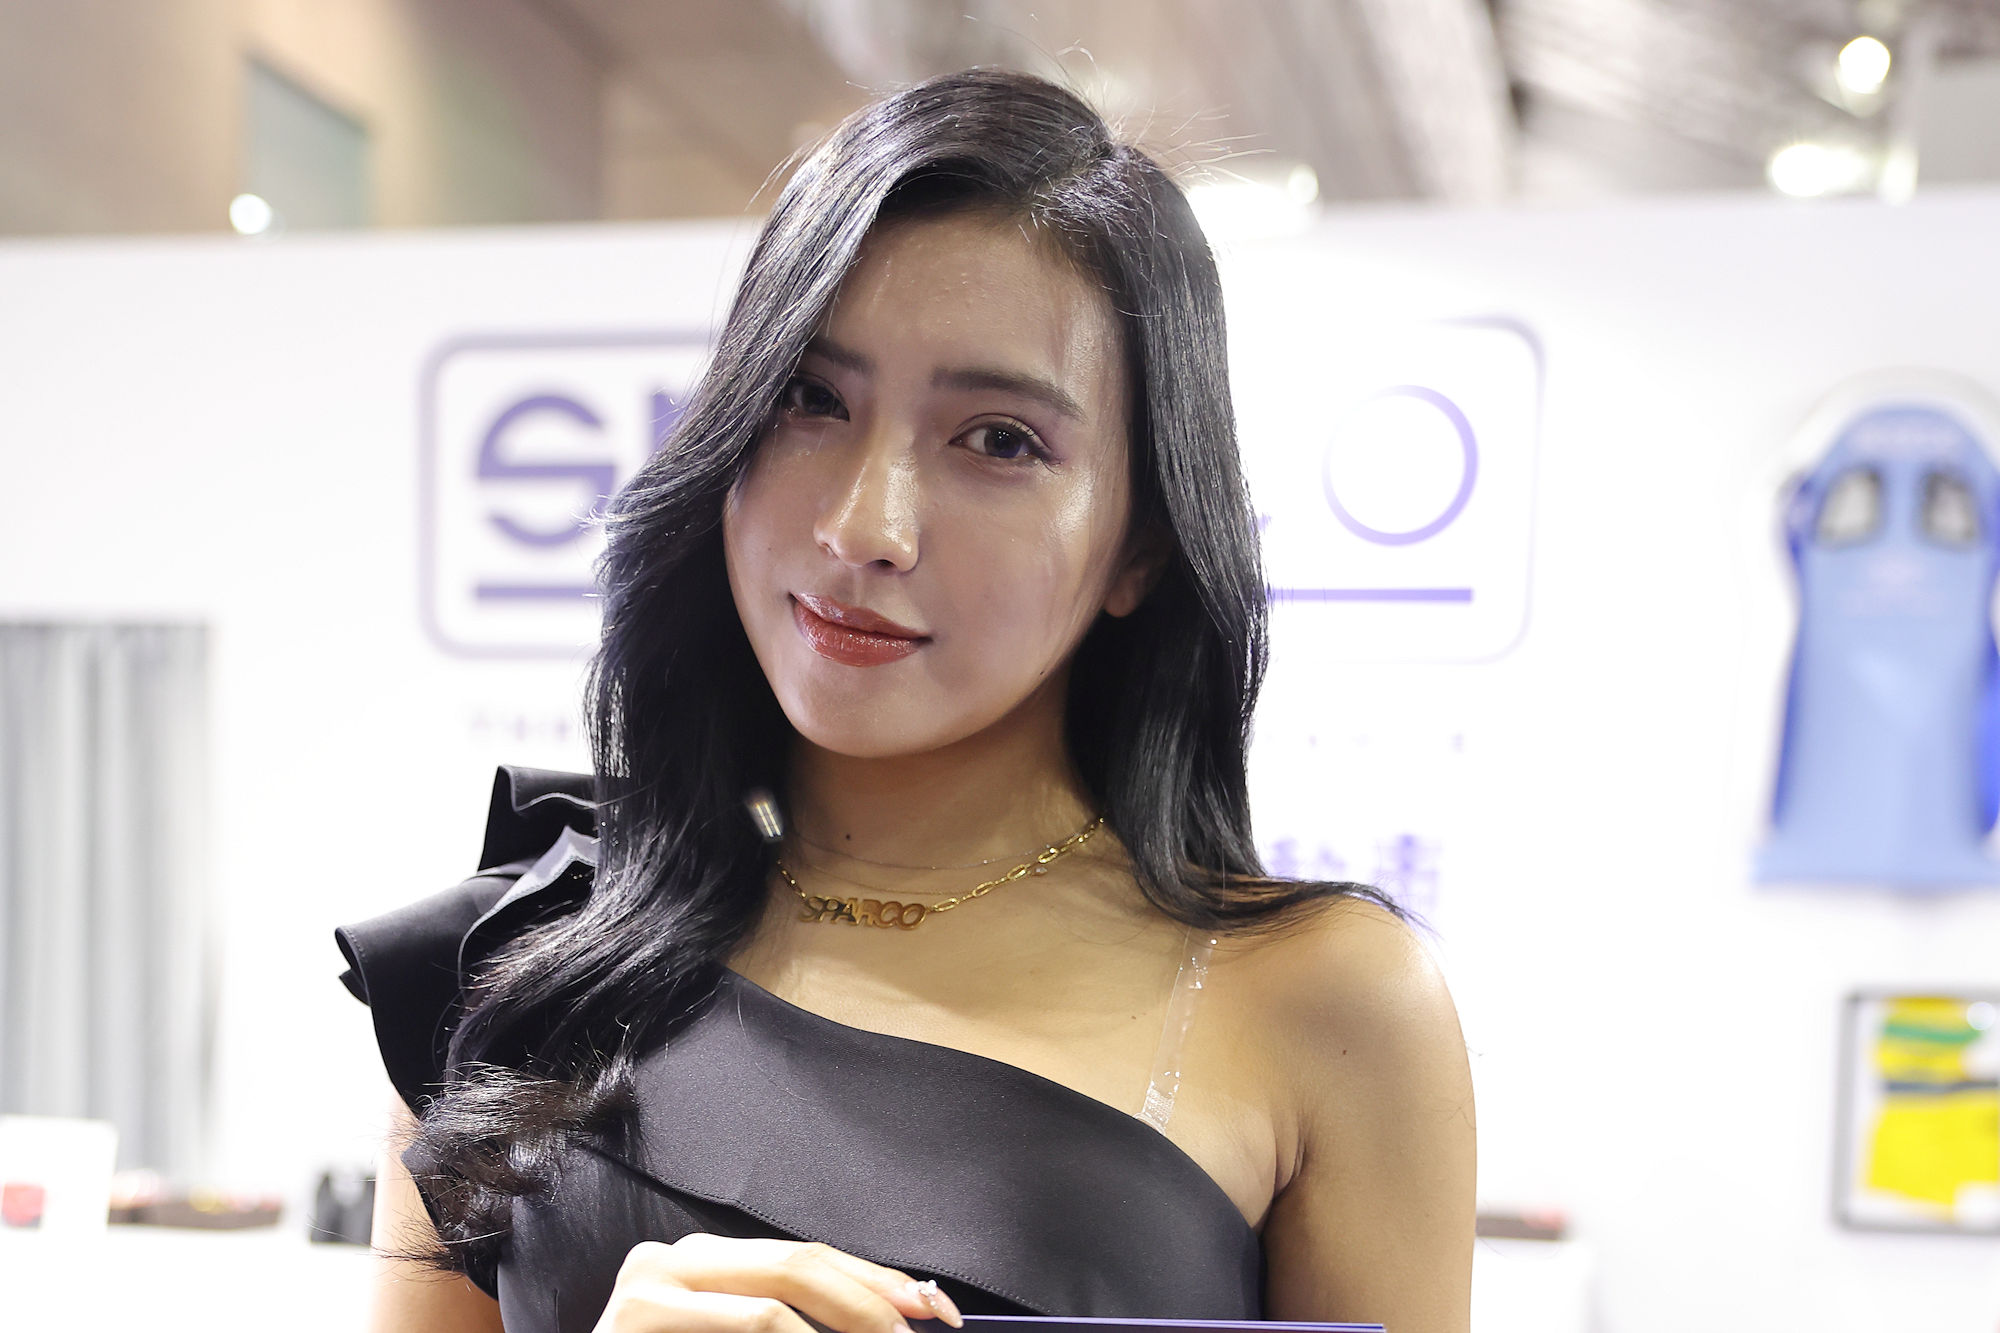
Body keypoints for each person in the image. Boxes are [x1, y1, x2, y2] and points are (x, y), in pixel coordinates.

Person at [336, 67, 1474, 1333]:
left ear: (1142, 543)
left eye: (998, 440)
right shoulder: (517, 961)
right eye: (808, 399)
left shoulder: (1323, 1005)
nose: (863, 525)